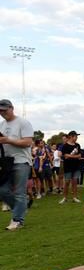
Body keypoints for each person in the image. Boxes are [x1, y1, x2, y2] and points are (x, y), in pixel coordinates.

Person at [0, 99, 34, 230]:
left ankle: (17, 220)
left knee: (19, 192)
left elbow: (27, 142)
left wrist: (8, 140)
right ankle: (21, 208)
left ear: (11, 108)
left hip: (21, 161)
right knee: (2, 190)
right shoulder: (2, 124)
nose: (2, 113)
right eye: (0, 111)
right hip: (6, 162)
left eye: (4, 110)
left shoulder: (23, 122)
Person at [60, 131, 83, 204]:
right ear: (71, 137)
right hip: (67, 167)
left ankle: (75, 198)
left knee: (75, 182)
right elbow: (64, 156)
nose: (77, 138)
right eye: (76, 136)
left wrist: (70, 156)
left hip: (76, 166)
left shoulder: (78, 145)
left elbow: (79, 156)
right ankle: (65, 198)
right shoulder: (65, 146)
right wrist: (74, 156)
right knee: (67, 182)